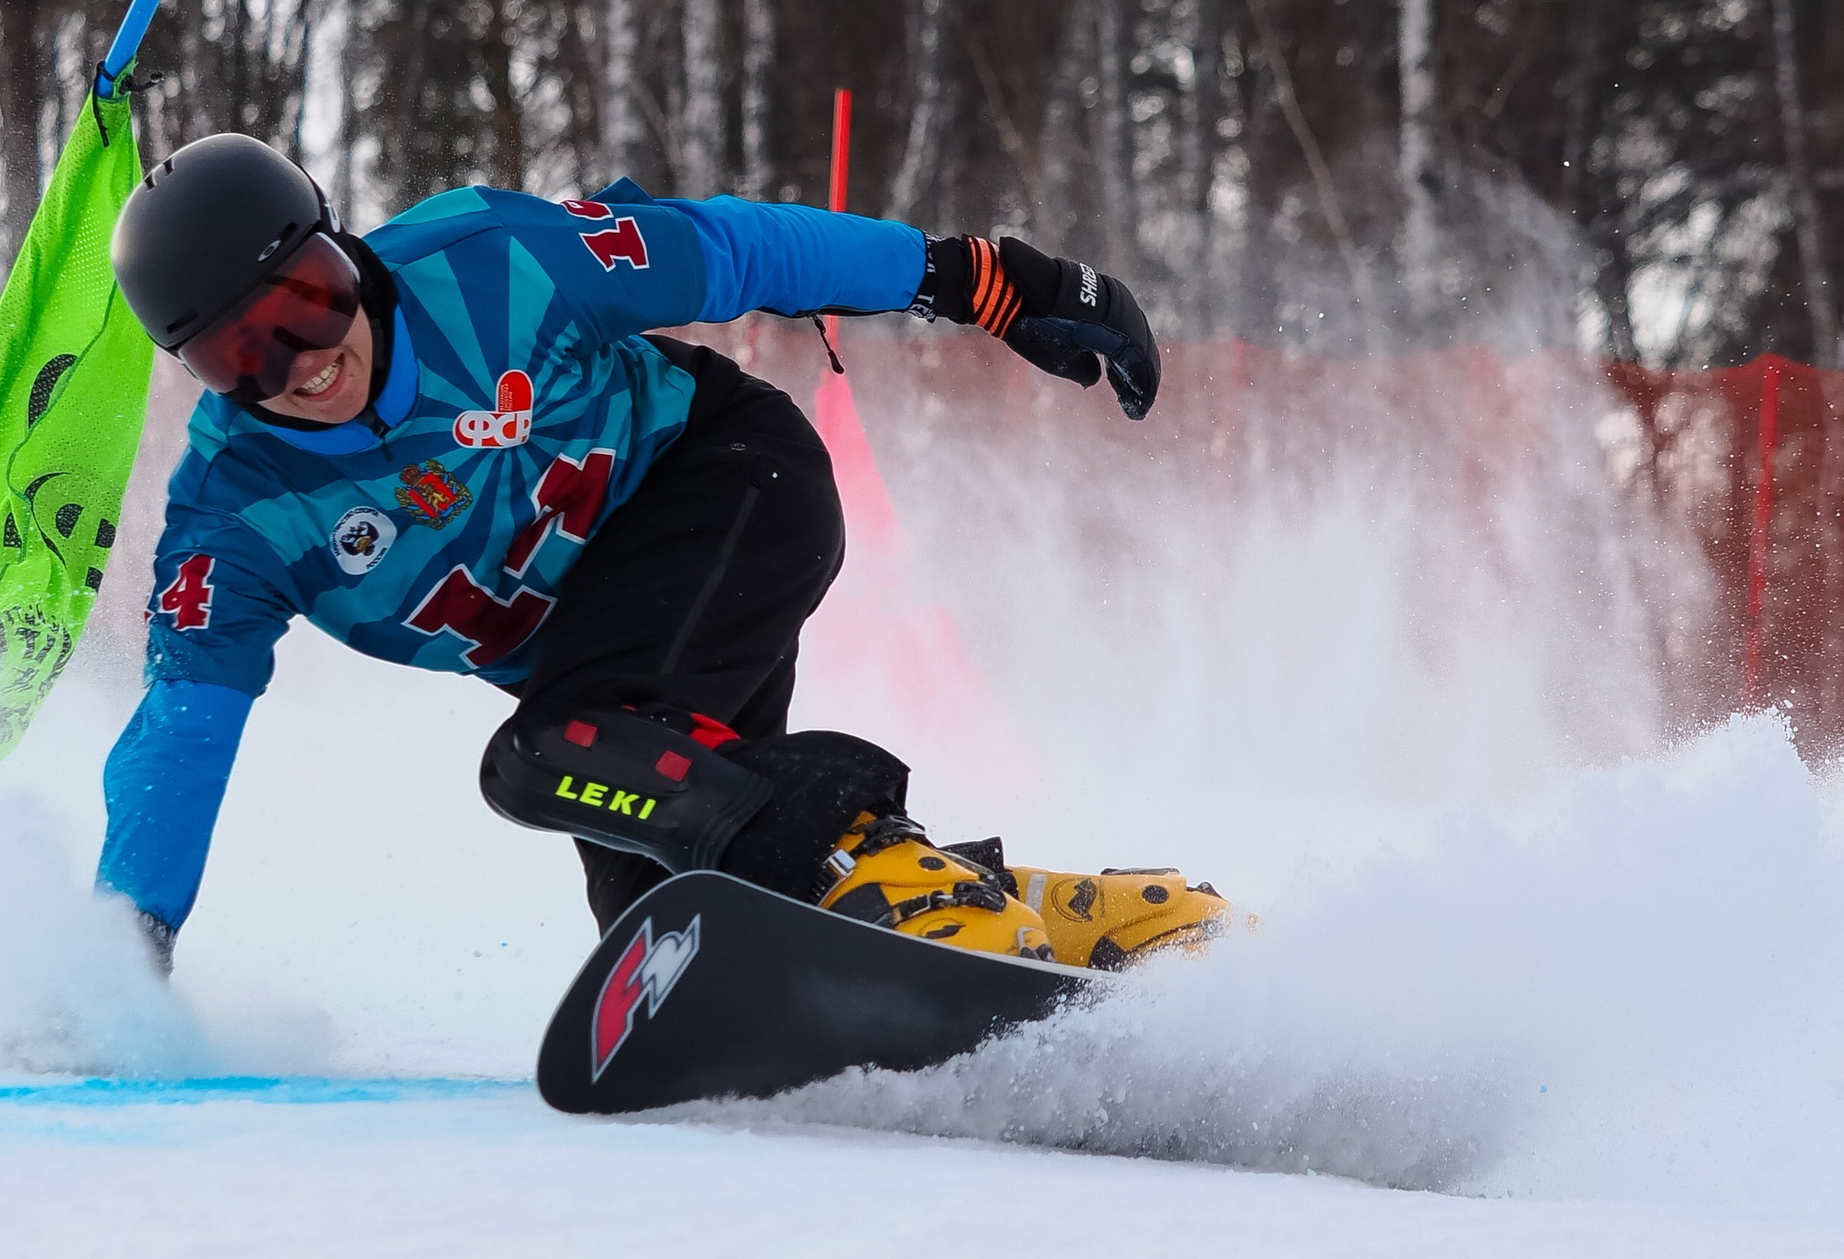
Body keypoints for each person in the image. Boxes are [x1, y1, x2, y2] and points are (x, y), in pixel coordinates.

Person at [97, 136, 1224, 973]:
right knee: (675, 932)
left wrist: (977, 277)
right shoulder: (234, 517)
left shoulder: (493, 265)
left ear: (342, 249)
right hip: (609, 661)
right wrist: (121, 952)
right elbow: (180, 731)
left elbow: (731, 249)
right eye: (241, 351)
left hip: (724, 478)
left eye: (308, 299)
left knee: (540, 759)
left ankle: (890, 874)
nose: (301, 360)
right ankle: (1073, 923)